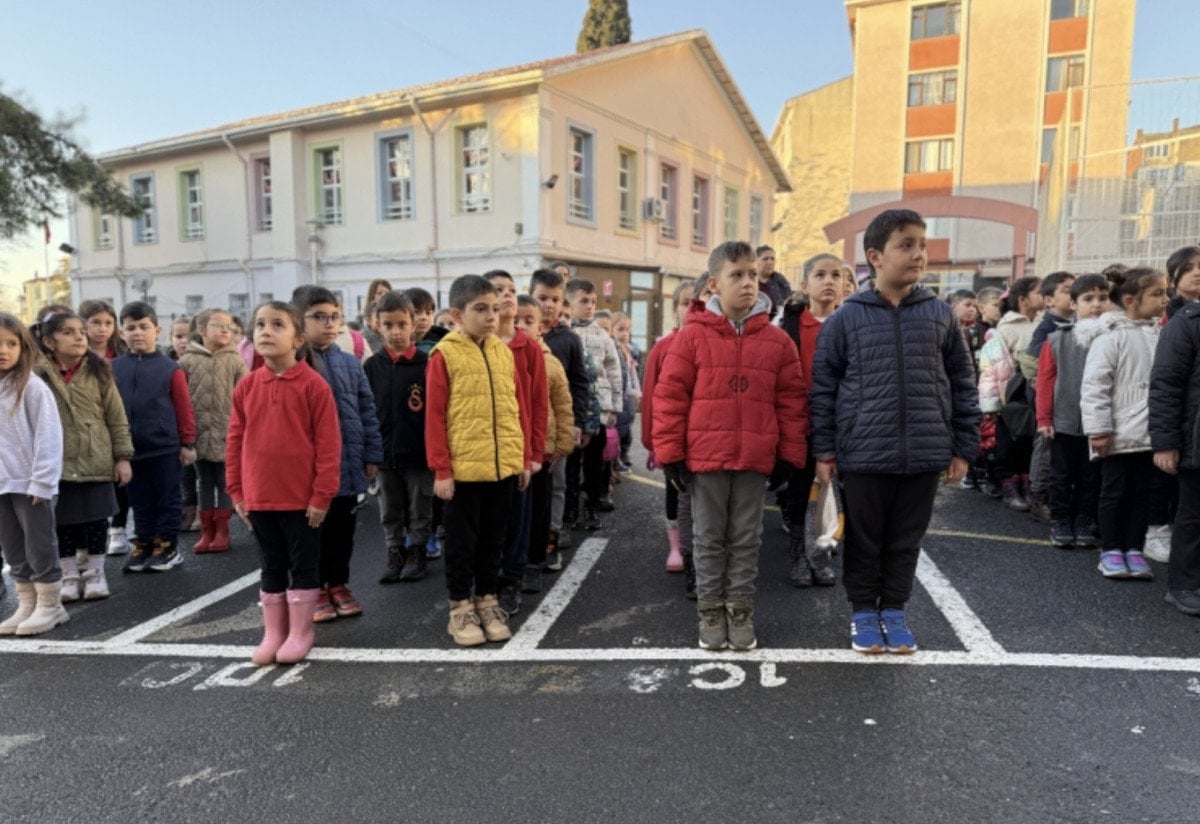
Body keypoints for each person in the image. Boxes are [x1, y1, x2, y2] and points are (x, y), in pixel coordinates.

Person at [810, 209, 980, 655]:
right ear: (875, 256)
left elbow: (962, 382)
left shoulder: (940, 315)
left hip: (925, 451)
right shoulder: (846, 319)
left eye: (922, 245)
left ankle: (895, 610)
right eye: (906, 245)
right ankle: (864, 612)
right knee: (864, 539)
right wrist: (824, 451)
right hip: (864, 452)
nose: (918, 254)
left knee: (906, 540)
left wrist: (963, 446)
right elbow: (823, 389)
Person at [654, 242, 808, 652]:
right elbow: (670, 398)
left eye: (752, 275)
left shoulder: (777, 342)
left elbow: (791, 401)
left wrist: (789, 453)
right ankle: (710, 610)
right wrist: (670, 455)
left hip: (754, 459)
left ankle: (739, 608)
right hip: (706, 458)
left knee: (745, 538)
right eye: (736, 275)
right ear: (714, 284)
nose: (747, 283)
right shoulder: (692, 337)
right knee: (708, 538)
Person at [228, 301, 340, 665]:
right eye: (261, 324)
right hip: (260, 497)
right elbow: (235, 440)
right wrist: (237, 491)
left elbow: (329, 445)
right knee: (271, 564)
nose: (266, 331)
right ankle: (274, 632)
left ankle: (301, 631)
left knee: (304, 563)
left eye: (278, 324)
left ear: (298, 339)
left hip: (301, 499)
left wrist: (322, 495)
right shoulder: (247, 385)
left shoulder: (314, 386)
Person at [426, 275, 530, 647]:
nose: (490, 317)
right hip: (464, 472)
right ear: (457, 315)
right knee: (461, 542)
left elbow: (517, 408)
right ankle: (460, 606)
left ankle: (487, 599)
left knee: (493, 539)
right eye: (480, 309)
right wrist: (442, 469)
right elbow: (435, 417)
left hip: (502, 468)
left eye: (495, 309)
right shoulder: (444, 355)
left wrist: (522, 458)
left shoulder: (502, 351)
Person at [294, 286, 383, 622]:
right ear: (298, 321)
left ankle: (338, 583)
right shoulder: (295, 365)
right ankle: (314, 587)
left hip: (348, 462)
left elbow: (367, 409)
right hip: (309, 469)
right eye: (319, 317)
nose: (330, 323)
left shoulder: (349, 363)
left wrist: (371, 453)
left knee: (342, 531)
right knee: (311, 530)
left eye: (335, 316)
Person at [34, 311, 134, 602]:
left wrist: (123, 456)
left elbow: (116, 417)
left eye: (81, 331)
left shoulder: (99, 371)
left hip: (96, 457)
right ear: (49, 342)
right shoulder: (38, 375)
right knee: (62, 521)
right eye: (68, 333)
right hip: (57, 461)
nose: (79, 337)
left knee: (97, 519)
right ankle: (68, 575)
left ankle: (95, 573)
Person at [1081, 268, 1168, 580]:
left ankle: (1134, 548)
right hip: (1118, 433)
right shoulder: (1110, 337)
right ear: (1131, 301)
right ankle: (1111, 550)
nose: (1164, 299)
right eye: (1157, 294)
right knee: (1115, 492)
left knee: (1142, 494)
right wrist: (1099, 430)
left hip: (1149, 433)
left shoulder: (1159, 335)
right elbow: (1095, 387)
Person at [113, 302, 197, 574]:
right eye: (131, 328)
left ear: (157, 331)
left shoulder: (170, 368)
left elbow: (183, 407)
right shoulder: (113, 368)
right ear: (122, 333)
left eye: (144, 327)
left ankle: (168, 547)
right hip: (131, 449)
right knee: (139, 501)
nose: (137, 333)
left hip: (164, 447)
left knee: (167, 498)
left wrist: (187, 442)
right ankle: (145, 543)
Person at [0, 313, 68, 636]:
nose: (3, 350)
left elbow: (48, 435)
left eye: (11, 343)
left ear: (23, 347)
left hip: (30, 484)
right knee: (13, 547)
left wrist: (42, 480)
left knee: (39, 544)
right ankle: (27, 603)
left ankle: (50, 605)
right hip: (2, 484)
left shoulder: (32, 387)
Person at [779, 253, 843, 586]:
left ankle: (821, 553)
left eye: (836, 275)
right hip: (801, 423)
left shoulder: (848, 323)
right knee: (801, 491)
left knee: (831, 493)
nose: (829, 281)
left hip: (839, 422)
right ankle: (798, 554)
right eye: (820, 275)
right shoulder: (790, 326)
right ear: (805, 284)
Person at [484, 270, 545, 612]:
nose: (507, 294)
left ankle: (511, 578)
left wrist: (534, 453)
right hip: (482, 450)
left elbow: (538, 404)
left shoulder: (528, 347)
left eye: (511, 289)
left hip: (518, 449)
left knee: (517, 517)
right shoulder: (475, 345)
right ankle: (486, 579)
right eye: (498, 289)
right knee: (487, 520)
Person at [1035, 274, 1110, 549]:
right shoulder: (1058, 339)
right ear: (1074, 304)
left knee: (1091, 476)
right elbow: (1045, 380)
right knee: (1061, 475)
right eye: (1088, 299)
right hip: (1064, 420)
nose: (1097, 304)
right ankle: (1061, 519)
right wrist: (1044, 417)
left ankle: (1083, 519)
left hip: (1099, 422)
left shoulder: (1114, 337)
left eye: (1103, 298)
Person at [363, 290, 433, 584]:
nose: (396, 331)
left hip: (418, 453)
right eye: (389, 325)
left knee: (420, 506)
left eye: (402, 324)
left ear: (413, 324)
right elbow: (365, 411)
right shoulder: (372, 366)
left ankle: (417, 551)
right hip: (384, 454)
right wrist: (369, 452)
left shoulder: (426, 363)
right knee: (389, 508)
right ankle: (395, 551)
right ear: (377, 325)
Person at [642, 280, 700, 593]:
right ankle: (676, 545)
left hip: (704, 438)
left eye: (697, 302)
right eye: (685, 303)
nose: (692, 309)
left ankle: (700, 546)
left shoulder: (710, 343)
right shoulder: (663, 347)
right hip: (673, 438)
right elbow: (651, 396)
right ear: (675, 309)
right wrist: (652, 442)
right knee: (674, 493)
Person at [515, 294, 574, 593]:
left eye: (528, 320)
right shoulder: (501, 357)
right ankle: (511, 562)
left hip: (543, 451)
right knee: (514, 512)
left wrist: (563, 445)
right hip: (512, 451)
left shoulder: (550, 363)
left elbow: (563, 405)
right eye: (516, 320)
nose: (521, 326)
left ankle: (533, 562)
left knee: (539, 509)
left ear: (541, 326)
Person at [1145, 246, 1200, 561]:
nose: (1197, 272)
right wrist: (1164, 438)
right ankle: (1156, 531)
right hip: (1171, 415)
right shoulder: (1175, 318)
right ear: (1174, 277)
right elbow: (1166, 381)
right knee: (1166, 483)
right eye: (1189, 267)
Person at [530, 269, 589, 562]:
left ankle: (552, 536)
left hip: (557, 426)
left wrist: (578, 422)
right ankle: (527, 542)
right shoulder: (519, 334)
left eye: (555, 299)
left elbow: (579, 383)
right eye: (542, 297)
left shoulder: (569, 339)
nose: (548, 305)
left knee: (557, 483)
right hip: (526, 429)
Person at [178, 308, 247, 553]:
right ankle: (207, 530)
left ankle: (222, 530)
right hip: (198, 433)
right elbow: (179, 399)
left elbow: (246, 396)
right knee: (204, 480)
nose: (226, 330)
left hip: (227, 432)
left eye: (229, 326)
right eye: (218, 325)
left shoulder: (235, 360)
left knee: (224, 480)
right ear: (202, 330)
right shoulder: (186, 361)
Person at [566, 278, 622, 528]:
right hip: (571, 410)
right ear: (569, 302)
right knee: (569, 465)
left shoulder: (602, 335)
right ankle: (569, 511)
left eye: (593, 302)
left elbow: (613, 370)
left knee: (594, 463)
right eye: (583, 301)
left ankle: (592, 506)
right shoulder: (565, 334)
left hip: (597, 409)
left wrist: (614, 407)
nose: (589, 306)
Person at [78, 299, 132, 555]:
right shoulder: (76, 354)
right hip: (87, 426)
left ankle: (118, 528)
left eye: (108, 323)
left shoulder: (122, 354)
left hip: (119, 420)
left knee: (120, 477)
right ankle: (85, 540)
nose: (102, 329)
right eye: (96, 323)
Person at [1023, 271, 1077, 523]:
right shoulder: (1047, 328)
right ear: (1048, 300)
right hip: (1051, 399)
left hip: (1070, 398)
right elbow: (1034, 365)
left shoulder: (1078, 324)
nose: (1073, 294)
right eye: (1066, 290)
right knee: (1045, 446)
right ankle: (1039, 496)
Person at [992, 276, 1043, 512]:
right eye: (1039, 292)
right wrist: (993, 401)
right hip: (1013, 393)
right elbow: (994, 365)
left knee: (1030, 441)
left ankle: (1027, 483)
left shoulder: (1044, 323)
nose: (1045, 296)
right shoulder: (1007, 327)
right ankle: (1009, 485)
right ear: (1023, 299)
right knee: (1010, 441)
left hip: (1038, 392)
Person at [609, 312, 641, 471]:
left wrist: (638, 391)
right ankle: (614, 459)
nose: (625, 334)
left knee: (627, 428)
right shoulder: (612, 350)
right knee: (616, 431)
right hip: (619, 397)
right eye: (620, 329)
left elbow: (632, 373)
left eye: (627, 330)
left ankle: (623, 455)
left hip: (629, 398)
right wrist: (632, 392)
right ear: (611, 331)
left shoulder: (629, 350)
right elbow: (619, 377)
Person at [754, 245, 792, 318]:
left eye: (772, 259)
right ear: (756, 261)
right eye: (765, 259)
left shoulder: (781, 281)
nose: (770, 262)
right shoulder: (749, 281)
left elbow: (789, 304)